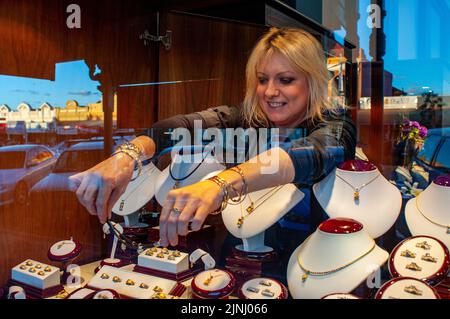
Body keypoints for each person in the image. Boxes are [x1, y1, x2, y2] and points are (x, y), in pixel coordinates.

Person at [69, 27, 356, 247]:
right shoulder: (244, 120)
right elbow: (178, 126)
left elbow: (308, 155)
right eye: (262, 79)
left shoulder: (335, 126)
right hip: (239, 256)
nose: (269, 92)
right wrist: (126, 156)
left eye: (285, 79)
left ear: (312, 81)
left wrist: (220, 185)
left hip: (316, 261)